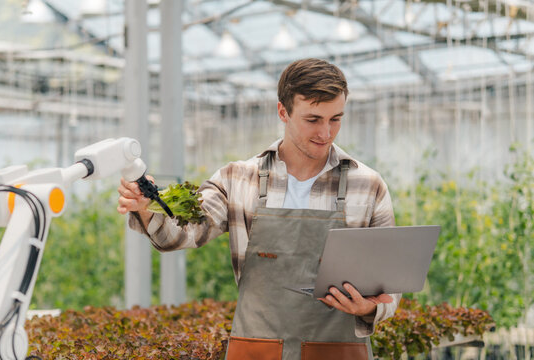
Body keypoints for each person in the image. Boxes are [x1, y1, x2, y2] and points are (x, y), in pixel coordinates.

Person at [117, 58, 400, 360]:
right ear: (283, 112)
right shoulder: (237, 179)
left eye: (336, 119)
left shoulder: (368, 185)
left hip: (339, 351)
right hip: (256, 351)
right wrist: (147, 208)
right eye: (313, 119)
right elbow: (178, 235)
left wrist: (372, 307)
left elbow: (390, 284)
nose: (326, 133)